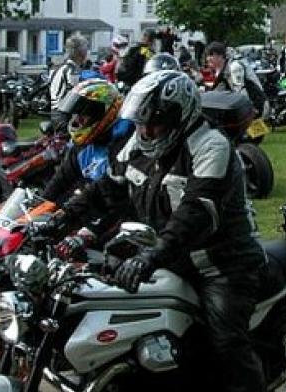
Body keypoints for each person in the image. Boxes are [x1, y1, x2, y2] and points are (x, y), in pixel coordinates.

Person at [52, 71, 267, 392]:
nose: (146, 131)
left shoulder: (211, 146)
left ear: (180, 117)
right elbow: (105, 189)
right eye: (140, 123)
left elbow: (195, 212)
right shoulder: (140, 145)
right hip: (168, 257)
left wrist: (150, 257)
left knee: (226, 343)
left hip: (221, 265)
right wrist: (59, 220)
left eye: (155, 123)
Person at [40, 80, 134, 256]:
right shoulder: (82, 147)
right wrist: (37, 209)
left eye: (84, 114)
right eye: (76, 114)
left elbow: (123, 201)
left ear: (105, 112)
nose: (77, 121)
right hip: (90, 208)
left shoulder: (124, 143)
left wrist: (89, 232)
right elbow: (60, 181)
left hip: (122, 219)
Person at [205, 41, 269, 117]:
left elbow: (241, 93)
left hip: (256, 107)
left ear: (220, 56)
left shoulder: (234, 67)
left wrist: (249, 112)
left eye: (211, 55)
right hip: (247, 108)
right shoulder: (222, 70)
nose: (208, 58)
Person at [49, 34, 89, 130]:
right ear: (81, 52)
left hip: (55, 113)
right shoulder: (72, 71)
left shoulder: (59, 67)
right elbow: (77, 93)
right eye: (86, 49)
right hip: (64, 116)